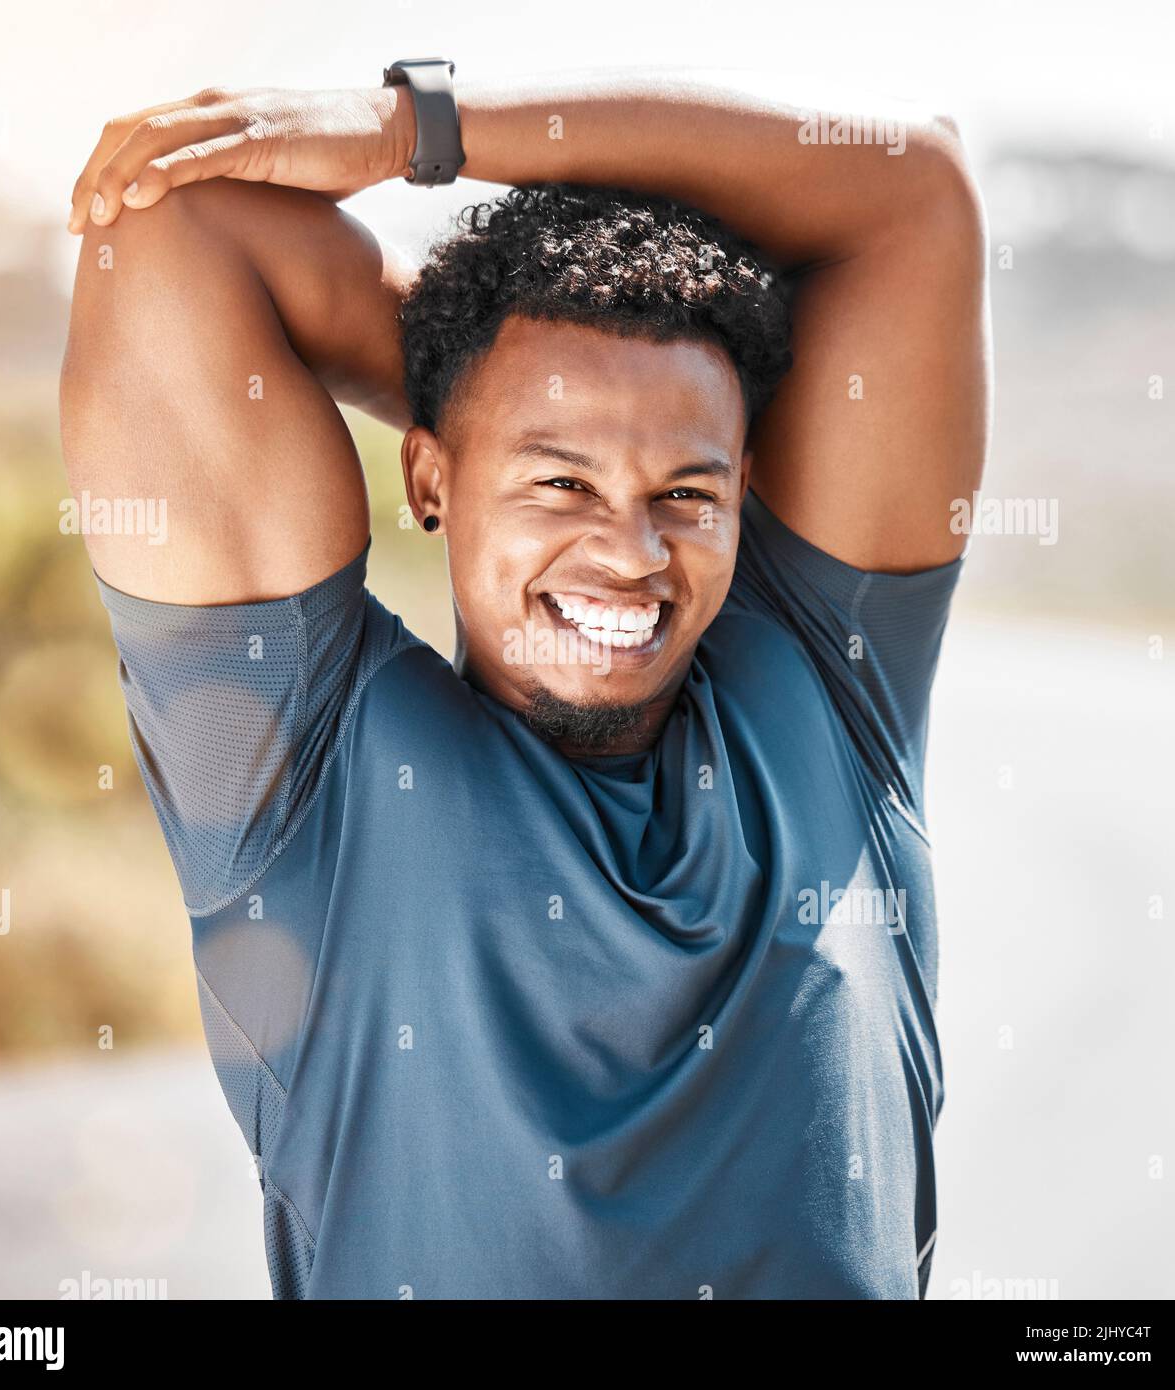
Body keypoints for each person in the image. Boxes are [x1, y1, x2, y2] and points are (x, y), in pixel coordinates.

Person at [60, 66, 989, 1299]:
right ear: (429, 481)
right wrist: (484, 366)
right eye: (559, 485)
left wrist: (418, 136)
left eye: (686, 493)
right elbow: (165, 228)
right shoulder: (313, 774)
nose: (633, 551)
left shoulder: (827, 686)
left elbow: (912, 191)